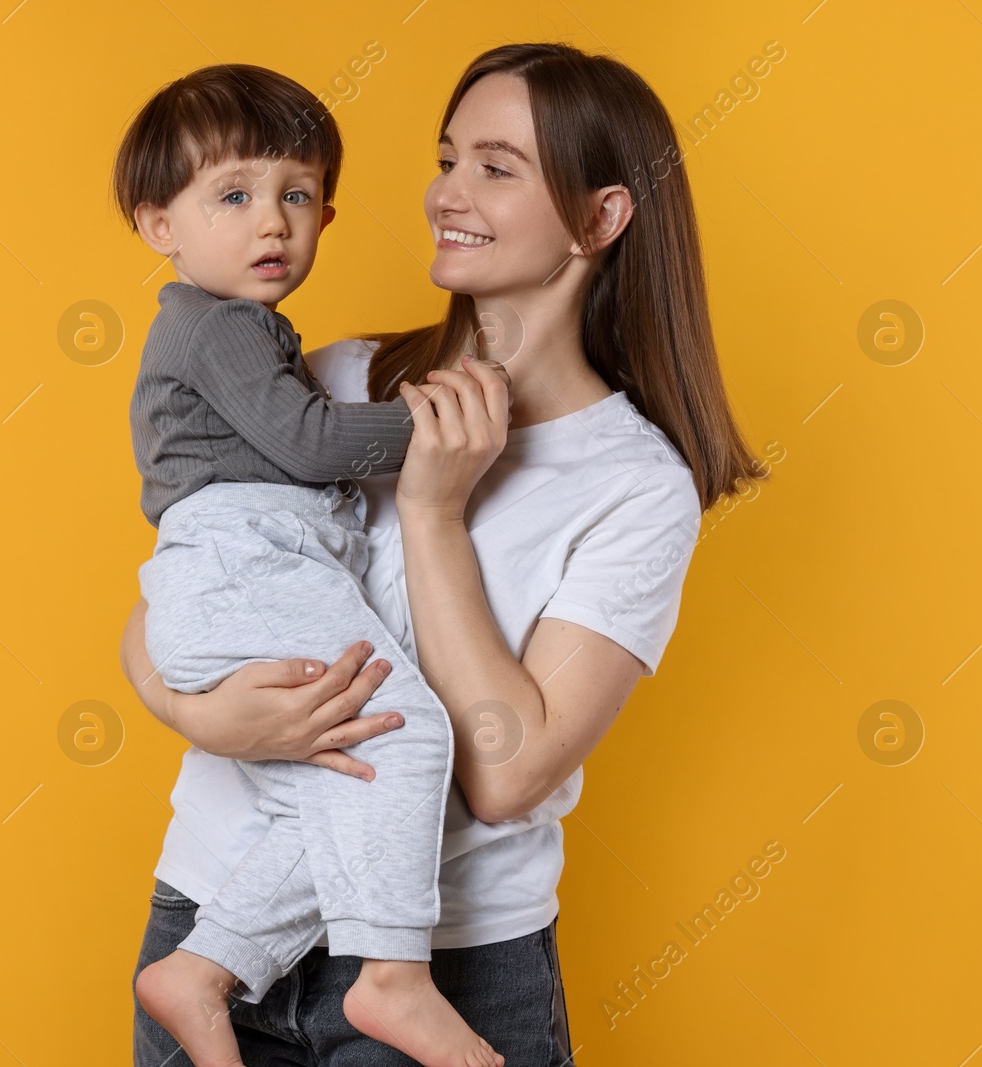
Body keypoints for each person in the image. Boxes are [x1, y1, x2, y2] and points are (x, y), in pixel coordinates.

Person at [122, 41, 770, 1065]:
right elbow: (180, 592)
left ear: (600, 218)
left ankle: (389, 979)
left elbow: (505, 773)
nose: (445, 194)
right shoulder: (329, 377)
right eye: (446, 156)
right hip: (204, 922)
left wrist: (430, 512)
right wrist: (197, 710)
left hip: (451, 961)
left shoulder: (634, 483)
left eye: (496, 167)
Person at [114, 63, 508, 1067]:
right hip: (246, 558)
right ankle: (393, 977)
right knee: (407, 731)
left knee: (338, 780)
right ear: (160, 225)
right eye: (234, 196)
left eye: (295, 196)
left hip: (238, 571)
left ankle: (204, 965)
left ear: (328, 213)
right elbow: (310, 445)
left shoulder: (241, 328)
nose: (271, 224)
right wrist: (440, 424)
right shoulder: (217, 326)